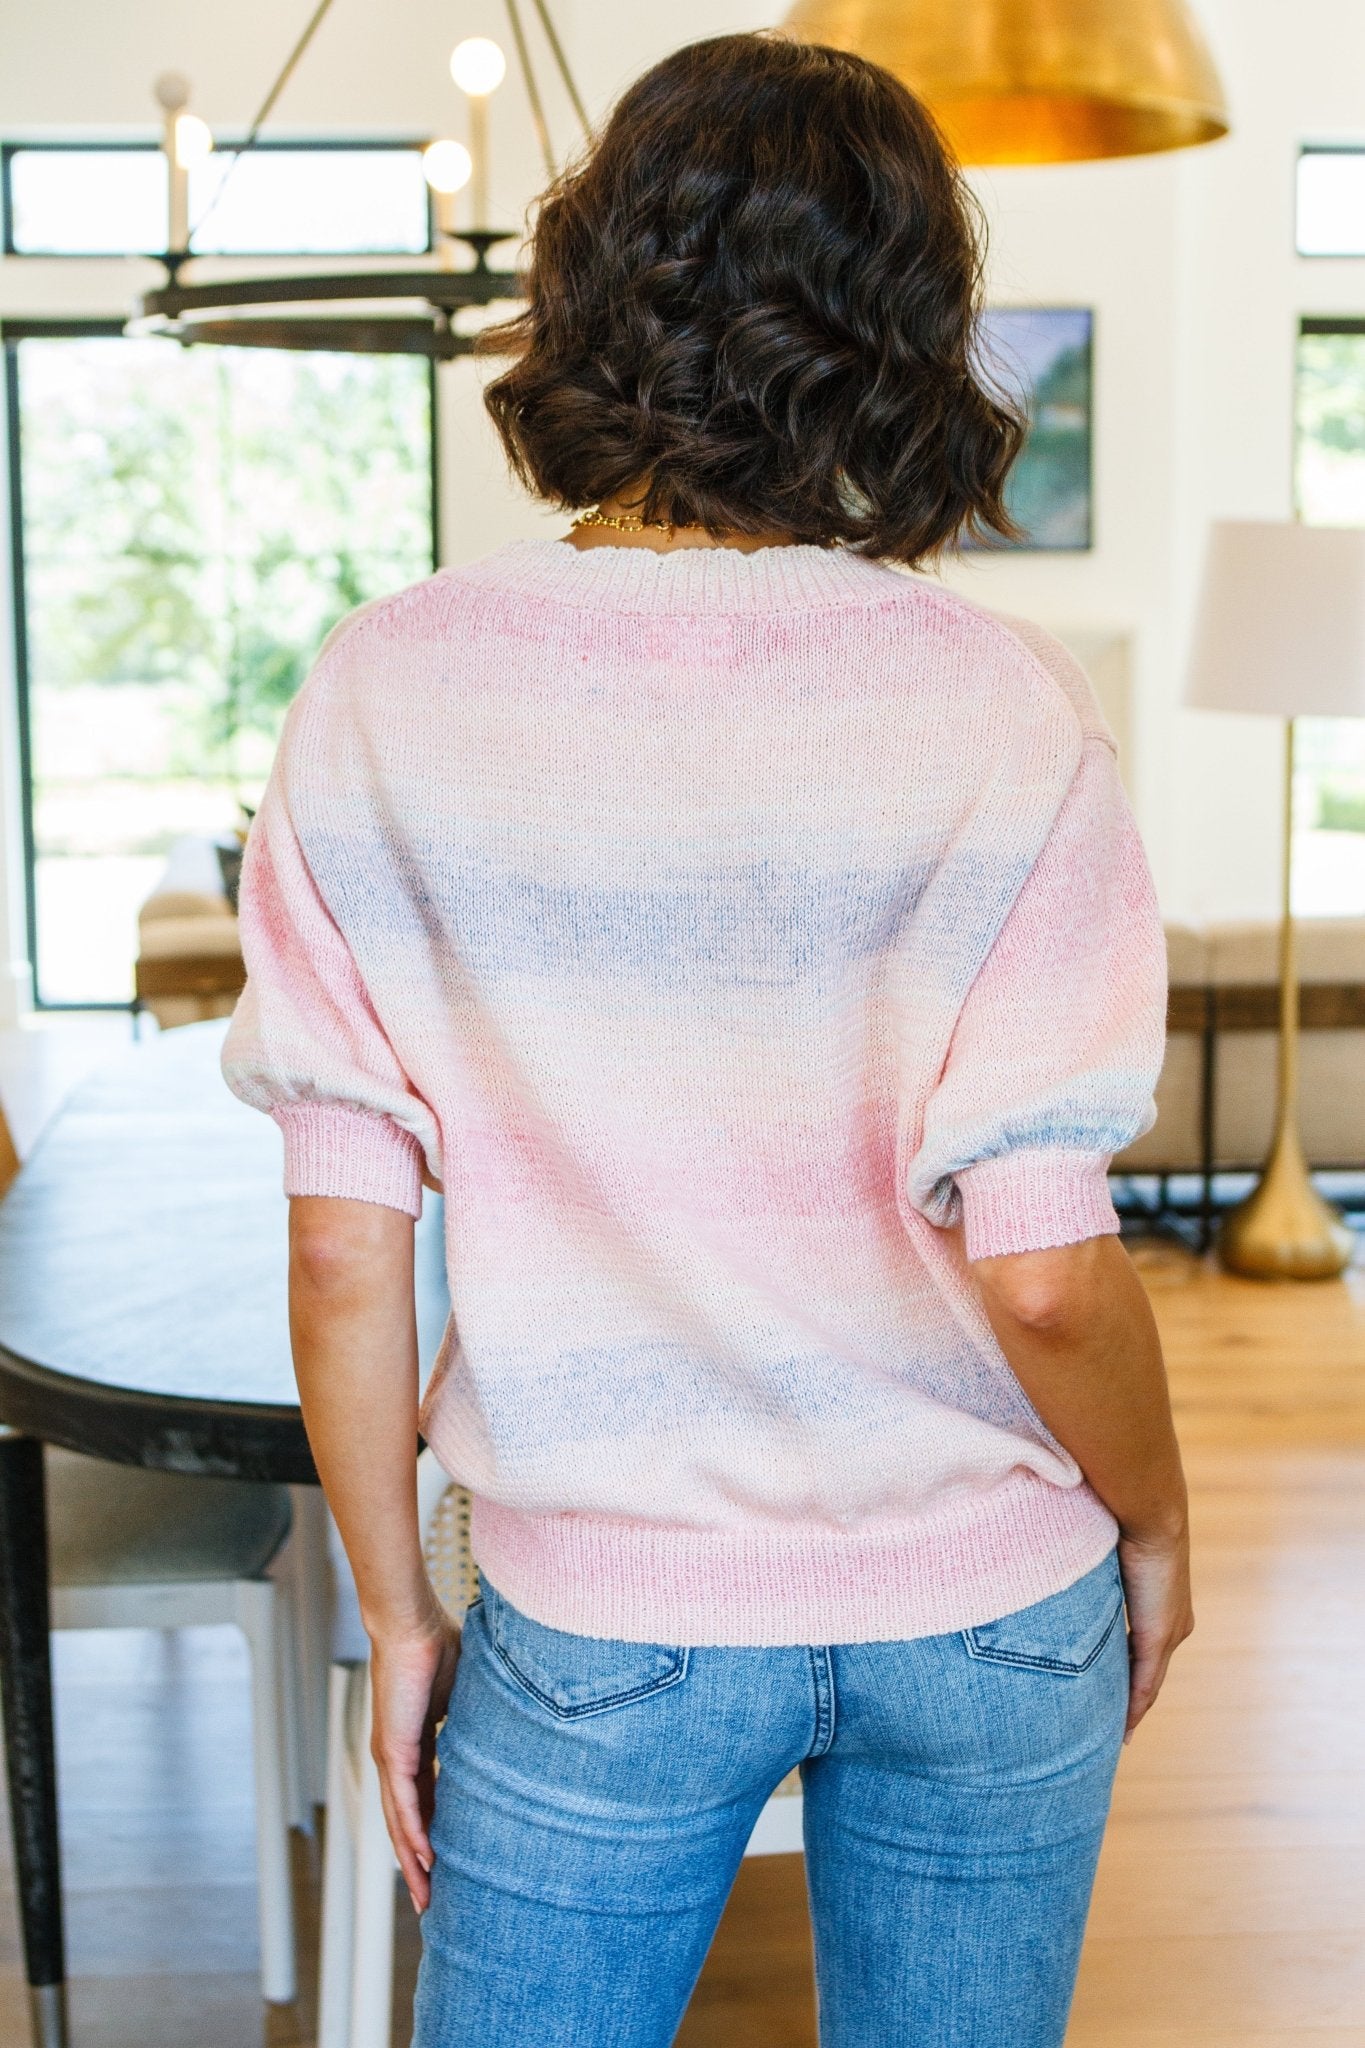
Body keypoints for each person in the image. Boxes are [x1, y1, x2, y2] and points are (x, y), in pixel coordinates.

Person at [222, 30, 1192, 2047]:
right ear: (904, 330)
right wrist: (1160, 1517)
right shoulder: (1005, 706)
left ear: (589, 284)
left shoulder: (382, 693)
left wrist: (397, 1611)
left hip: (602, 1608)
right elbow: (1039, 1267)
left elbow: (341, 1251)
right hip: (990, 1604)